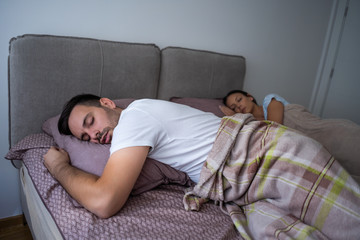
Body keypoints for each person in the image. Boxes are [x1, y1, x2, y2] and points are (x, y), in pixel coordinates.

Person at [44, 94, 221, 218]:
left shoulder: (133, 118)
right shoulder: (142, 112)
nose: (94, 134)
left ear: (107, 103)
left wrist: (58, 167)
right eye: (86, 137)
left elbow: (104, 202)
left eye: (90, 122)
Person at [220, 90, 289, 124]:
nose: (238, 106)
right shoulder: (250, 124)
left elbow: (274, 129)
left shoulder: (270, 100)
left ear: (250, 97)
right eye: (234, 108)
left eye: (239, 100)